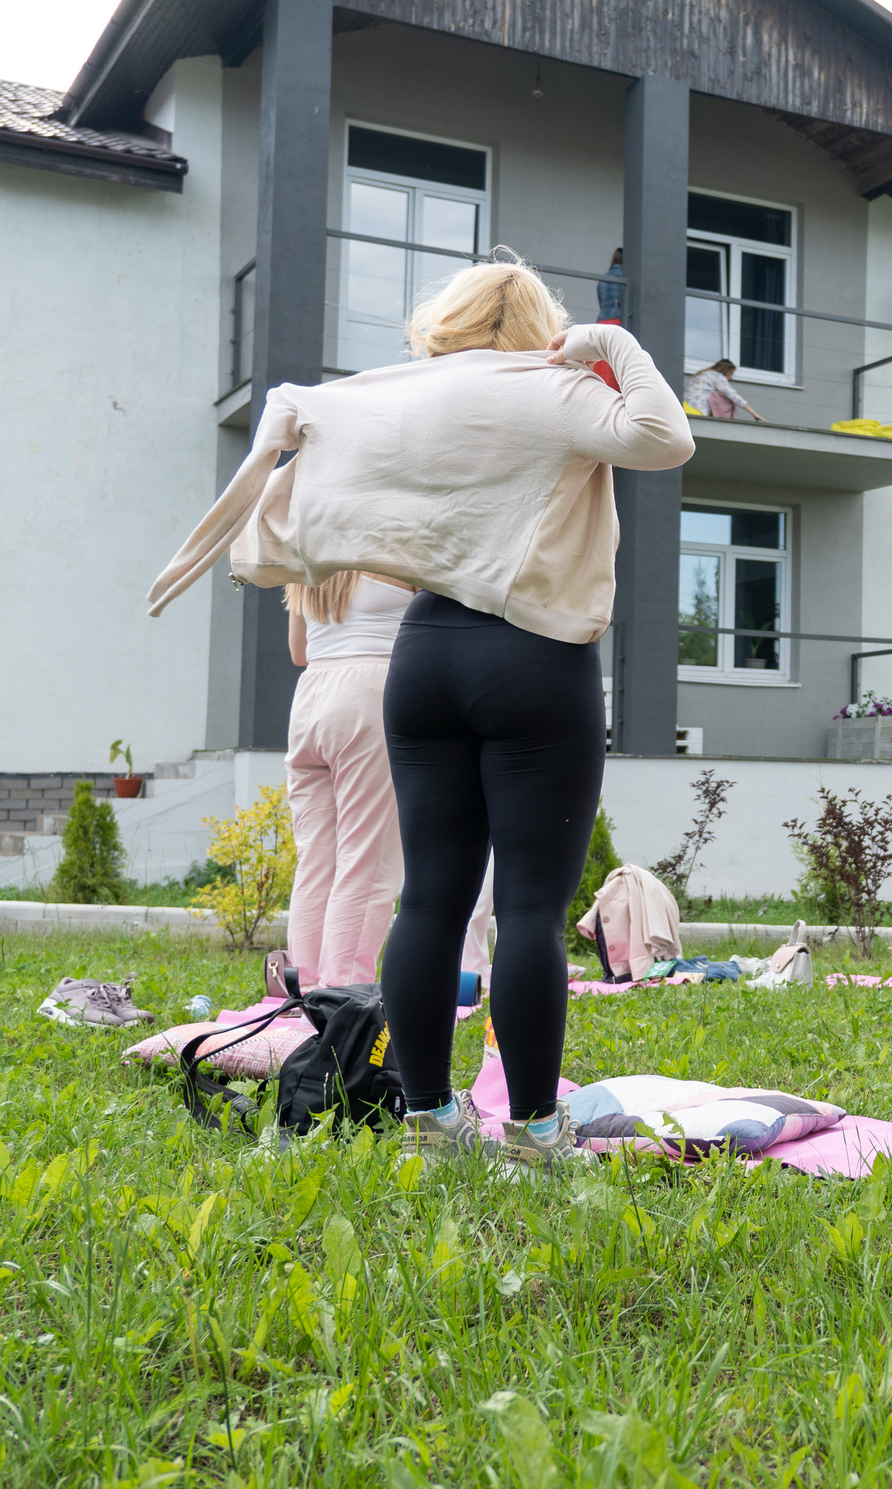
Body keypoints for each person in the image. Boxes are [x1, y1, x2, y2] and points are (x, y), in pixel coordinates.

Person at [148, 254, 692, 1169]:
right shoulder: (551, 391)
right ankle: (532, 1133)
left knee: (428, 898)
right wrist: (612, 343)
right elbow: (665, 436)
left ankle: (428, 1123)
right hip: (535, 656)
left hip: (424, 653)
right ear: (536, 329)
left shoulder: (402, 400)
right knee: (526, 908)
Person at [282, 570, 414, 988]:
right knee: (367, 862)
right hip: (369, 692)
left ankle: (303, 991)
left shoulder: (304, 564)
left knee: (315, 860)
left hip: (311, 695)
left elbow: (298, 651)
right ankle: (343, 996)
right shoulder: (397, 552)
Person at [683, 358, 763, 420]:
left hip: (685, 407)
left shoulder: (700, 376)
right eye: (731, 373)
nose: (731, 377)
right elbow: (733, 396)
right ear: (726, 371)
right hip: (698, 410)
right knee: (720, 395)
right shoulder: (717, 376)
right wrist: (753, 413)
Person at [595, 248, 625, 324]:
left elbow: (600, 301)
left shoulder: (604, 276)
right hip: (618, 319)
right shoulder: (625, 276)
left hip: (602, 318)